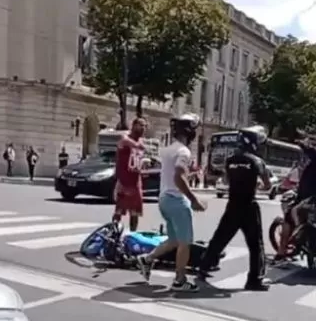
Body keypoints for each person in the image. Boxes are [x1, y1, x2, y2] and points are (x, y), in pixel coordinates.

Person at [195, 126, 271, 291]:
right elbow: (267, 185)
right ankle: (254, 279)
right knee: (255, 244)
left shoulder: (230, 160)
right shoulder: (257, 161)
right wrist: (256, 184)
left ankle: (203, 268)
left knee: (220, 238)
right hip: (249, 206)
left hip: (233, 205)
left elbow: (228, 181)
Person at [137, 113, 206, 291]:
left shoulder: (168, 150)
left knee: (174, 240)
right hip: (176, 200)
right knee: (185, 242)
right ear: (190, 131)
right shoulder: (184, 151)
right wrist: (194, 200)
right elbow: (178, 176)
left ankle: (147, 259)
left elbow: (172, 174)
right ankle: (179, 280)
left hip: (164, 199)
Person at [276, 133, 316, 261]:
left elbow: (309, 150)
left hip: (308, 199)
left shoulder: (313, 158)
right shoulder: (307, 165)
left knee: (288, 218)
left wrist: (300, 142)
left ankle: (281, 253)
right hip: (307, 197)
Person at [113, 117, 148, 232]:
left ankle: (132, 235)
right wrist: (139, 146)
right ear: (133, 125)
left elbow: (140, 156)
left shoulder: (141, 141)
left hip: (136, 181)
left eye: (145, 126)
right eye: (141, 125)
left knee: (135, 212)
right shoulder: (125, 137)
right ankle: (113, 232)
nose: (143, 128)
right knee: (119, 211)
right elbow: (126, 142)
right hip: (123, 180)